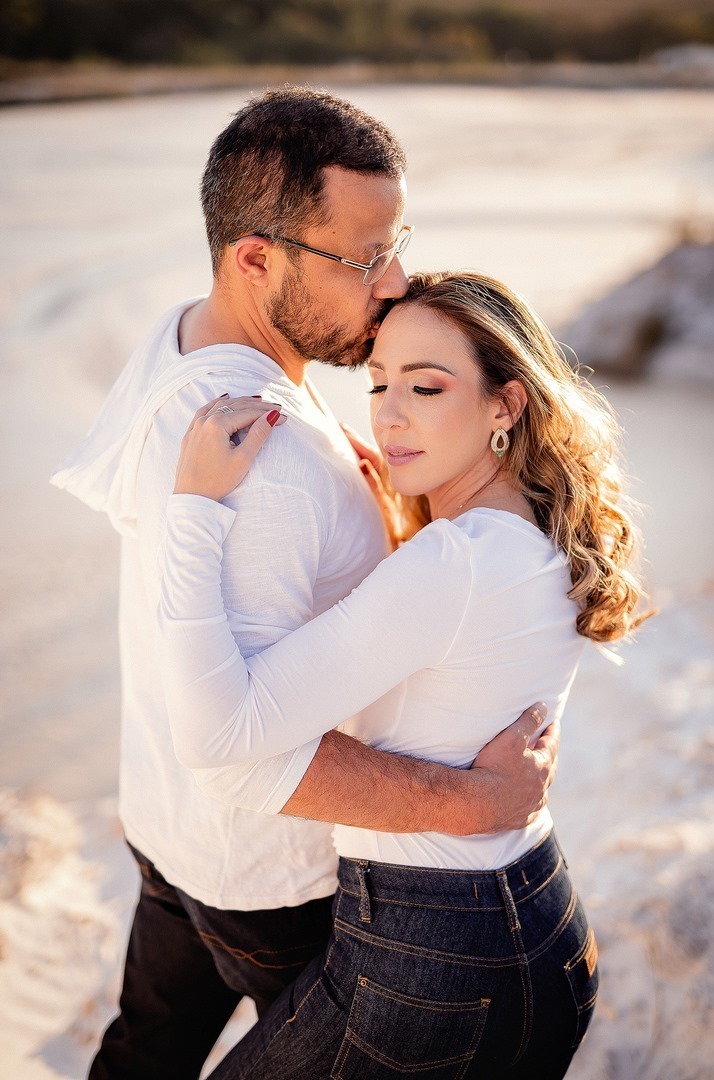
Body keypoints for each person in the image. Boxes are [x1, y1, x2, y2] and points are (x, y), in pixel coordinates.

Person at [50, 87, 557, 1080]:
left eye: (397, 242)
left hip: (165, 833)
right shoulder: (270, 463)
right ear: (255, 259)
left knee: (142, 1053)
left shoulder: (181, 341)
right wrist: (467, 802)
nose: (396, 280)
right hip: (277, 881)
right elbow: (243, 756)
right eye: (364, 258)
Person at [156, 270, 649, 1077]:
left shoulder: (454, 562)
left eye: (426, 386)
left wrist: (194, 510)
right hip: (541, 923)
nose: (388, 413)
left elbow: (218, 734)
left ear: (505, 404)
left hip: (436, 954)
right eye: (378, 382)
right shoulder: (534, 526)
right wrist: (402, 509)